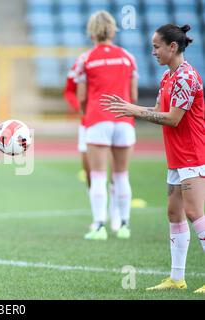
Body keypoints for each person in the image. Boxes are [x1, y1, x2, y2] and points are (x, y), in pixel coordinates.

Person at [101, 24, 205, 293]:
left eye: (157, 46)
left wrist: (133, 109)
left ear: (173, 47)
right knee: (174, 213)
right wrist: (132, 110)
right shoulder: (167, 77)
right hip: (176, 158)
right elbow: (159, 111)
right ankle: (177, 278)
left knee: (195, 213)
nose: (153, 51)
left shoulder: (186, 78)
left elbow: (172, 119)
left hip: (194, 154)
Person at [73, 11, 138, 240]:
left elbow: (80, 96)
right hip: (123, 120)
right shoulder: (128, 56)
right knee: (121, 175)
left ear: (92, 32)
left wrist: (88, 111)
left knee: (98, 175)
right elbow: (133, 95)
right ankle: (124, 225)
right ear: (112, 30)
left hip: (97, 119)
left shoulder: (86, 59)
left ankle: (99, 225)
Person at [64, 60, 121, 232]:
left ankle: (116, 213)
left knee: (115, 171)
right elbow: (69, 91)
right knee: (90, 173)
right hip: (88, 124)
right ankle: (99, 216)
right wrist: (82, 109)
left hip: (110, 121)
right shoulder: (82, 63)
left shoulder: (119, 60)